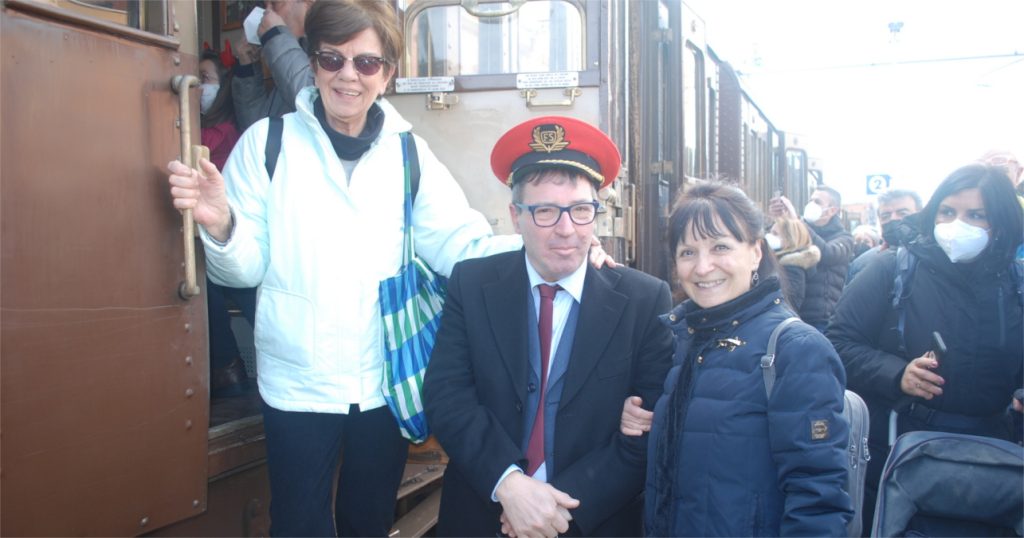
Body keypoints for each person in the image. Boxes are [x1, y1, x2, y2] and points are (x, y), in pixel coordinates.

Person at [167, 1, 535, 534]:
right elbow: (242, 271)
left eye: (366, 63)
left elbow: (461, 243)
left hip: (382, 383)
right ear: (311, 62)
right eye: (332, 58)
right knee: (298, 524)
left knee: (367, 521)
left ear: (387, 73)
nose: (348, 76)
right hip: (296, 385)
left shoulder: (409, 154)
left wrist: (542, 254)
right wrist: (221, 226)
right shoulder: (268, 145)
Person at [422, 116, 674, 538]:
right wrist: (510, 486)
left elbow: (644, 435)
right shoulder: (472, 283)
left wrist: (553, 510)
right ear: (515, 216)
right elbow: (447, 396)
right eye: (544, 211)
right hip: (486, 511)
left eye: (580, 209)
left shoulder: (644, 301)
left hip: (591, 519)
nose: (566, 229)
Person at [623, 182, 851, 536]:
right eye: (687, 252)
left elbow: (819, 497)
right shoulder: (684, 340)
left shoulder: (796, 350)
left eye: (720, 247)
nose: (702, 267)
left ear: (755, 252)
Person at [827, 164, 1024, 535]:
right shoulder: (890, 269)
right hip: (899, 458)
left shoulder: (1017, 284)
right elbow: (836, 344)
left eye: (975, 215)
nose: (956, 224)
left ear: (999, 223)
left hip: (994, 463)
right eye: (947, 211)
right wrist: (897, 374)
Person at [198, 49, 257, 396]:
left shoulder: (224, 132)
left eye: (205, 80)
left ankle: (227, 365)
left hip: (231, 230)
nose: (199, 89)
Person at [770, 186, 853, 330]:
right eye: (810, 200)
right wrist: (778, 218)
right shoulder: (801, 228)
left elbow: (827, 254)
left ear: (833, 210)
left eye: (817, 202)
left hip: (820, 319)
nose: (811, 205)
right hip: (792, 312)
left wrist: (797, 222)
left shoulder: (844, 238)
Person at [232, 0, 315, 130]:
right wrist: (248, 66)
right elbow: (258, 129)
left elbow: (312, 103)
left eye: (275, 4)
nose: (267, 13)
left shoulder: (334, 44)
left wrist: (275, 35)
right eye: (265, 6)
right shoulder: (293, 52)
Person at [846, 189, 922, 283]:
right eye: (885, 216)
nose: (893, 218)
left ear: (921, 215)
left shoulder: (935, 259)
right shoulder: (862, 263)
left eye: (903, 213)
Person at [765, 216, 820, 311]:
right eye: (770, 232)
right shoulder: (776, 260)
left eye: (775, 234)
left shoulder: (792, 269)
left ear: (790, 240)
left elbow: (790, 305)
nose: (769, 236)